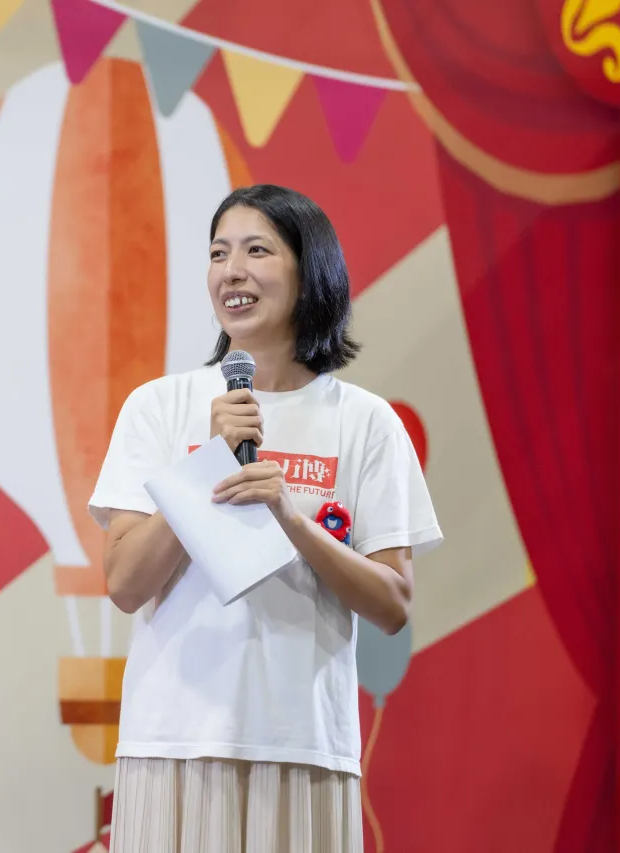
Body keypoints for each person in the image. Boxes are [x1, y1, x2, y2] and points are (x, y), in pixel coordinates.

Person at [88, 184, 442, 853]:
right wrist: (206, 467)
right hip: (173, 741)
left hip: (303, 746)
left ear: (311, 272)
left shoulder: (365, 422)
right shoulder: (159, 407)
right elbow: (126, 583)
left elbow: (393, 603)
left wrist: (289, 517)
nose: (232, 271)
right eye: (219, 253)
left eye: (257, 251)